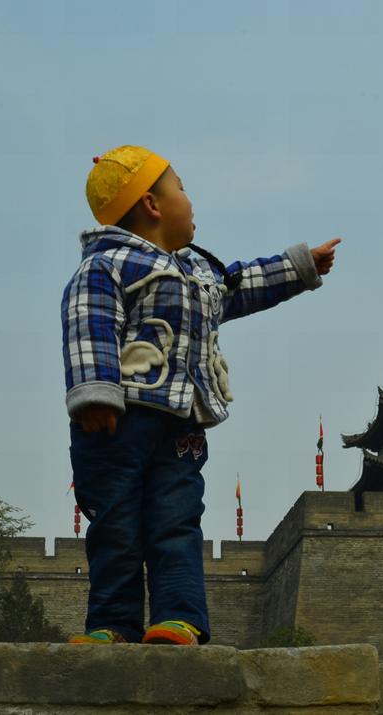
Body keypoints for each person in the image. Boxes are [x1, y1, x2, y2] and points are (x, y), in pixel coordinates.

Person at [62, 145, 340, 645]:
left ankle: (178, 618)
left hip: (182, 425)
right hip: (117, 423)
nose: (190, 200)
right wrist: (96, 395)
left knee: (177, 520)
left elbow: (242, 286)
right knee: (116, 526)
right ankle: (111, 625)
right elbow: (89, 323)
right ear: (152, 204)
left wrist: (301, 266)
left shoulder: (198, 274)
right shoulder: (107, 266)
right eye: (181, 188)